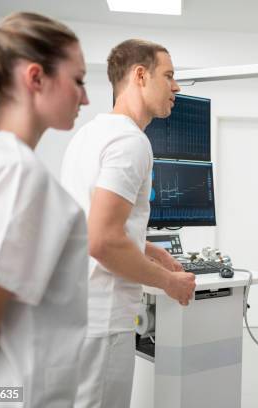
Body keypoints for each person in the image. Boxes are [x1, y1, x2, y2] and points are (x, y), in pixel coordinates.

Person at [0, 12, 90, 407]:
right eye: (78, 80)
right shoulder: (15, 172)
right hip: (10, 395)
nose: (85, 96)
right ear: (36, 78)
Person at [61, 39, 196, 408]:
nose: (176, 87)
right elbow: (103, 241)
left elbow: (91, 225)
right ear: (140, 75)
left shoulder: (88, 135)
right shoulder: (130, 142)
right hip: (104, 320)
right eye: (169, 76)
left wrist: (151, 251)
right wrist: (170, 283)